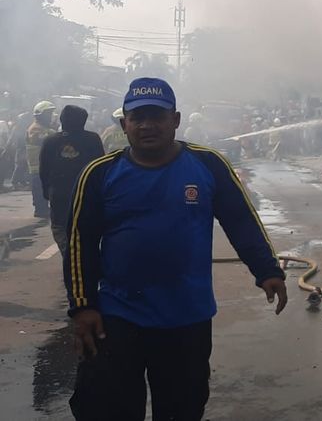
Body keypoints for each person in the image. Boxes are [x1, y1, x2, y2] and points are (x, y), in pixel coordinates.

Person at [65, 78, 287, 420]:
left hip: (187, 317)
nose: (147, 125)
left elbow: (241, 221)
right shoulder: (100, 173)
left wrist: (267, 270)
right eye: (137, 117)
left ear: (176, 120)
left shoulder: (208, 165)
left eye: (157, 116)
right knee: (107, 409)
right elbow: (79, 242)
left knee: (181, 409)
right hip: (118, 316)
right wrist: (82, 306)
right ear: (124, 124)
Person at [38, 105, 104, 257]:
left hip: (60, 192)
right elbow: (101, 167)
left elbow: (44, 169)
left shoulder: (50, 141)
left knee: (60, 226)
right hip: (86, 192)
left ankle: (68, 253)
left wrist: (46, 191)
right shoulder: (92, 139)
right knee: (85, 225)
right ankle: (81, 255)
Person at [26, 101, 56, 218]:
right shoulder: (35, 129)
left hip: (45, 166)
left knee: (45, 188)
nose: (50, 117)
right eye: (48, 114)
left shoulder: (45, 128)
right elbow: (46, 140)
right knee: (39, 189)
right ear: (41, 115)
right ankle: (40, 209)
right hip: (37, 166)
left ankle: (43, 207)